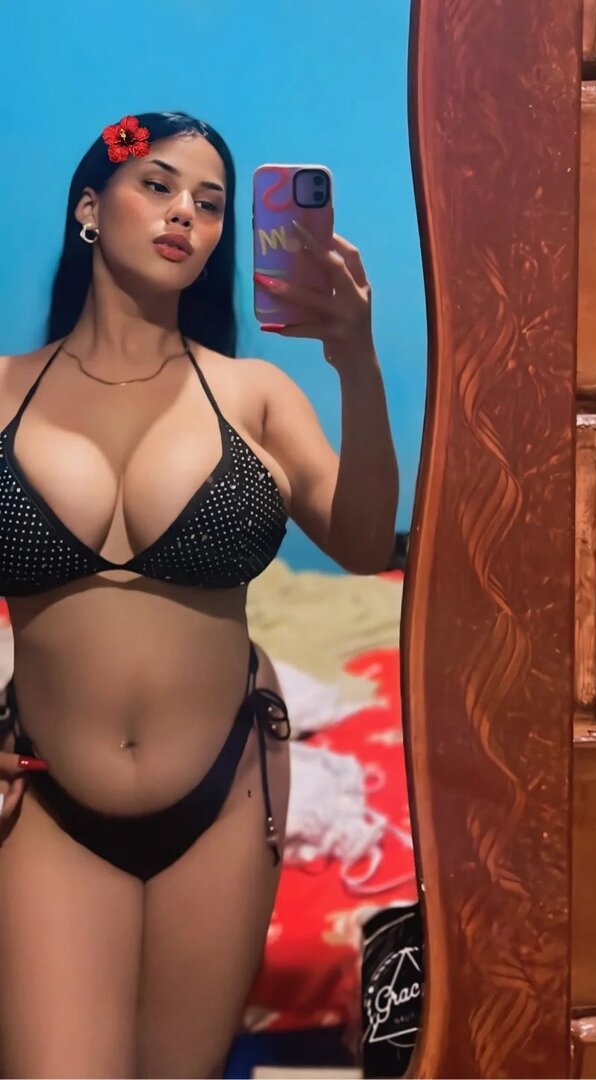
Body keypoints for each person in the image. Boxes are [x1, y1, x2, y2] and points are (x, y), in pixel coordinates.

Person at [0, 111, 399, 1079]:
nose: (186, 213)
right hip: (50, 799)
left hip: (226, 794)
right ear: (89, 208)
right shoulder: (5, 393)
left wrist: (354, 360)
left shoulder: (251, 394)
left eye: (212, 204)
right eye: (159, 185)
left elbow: (359, 547)